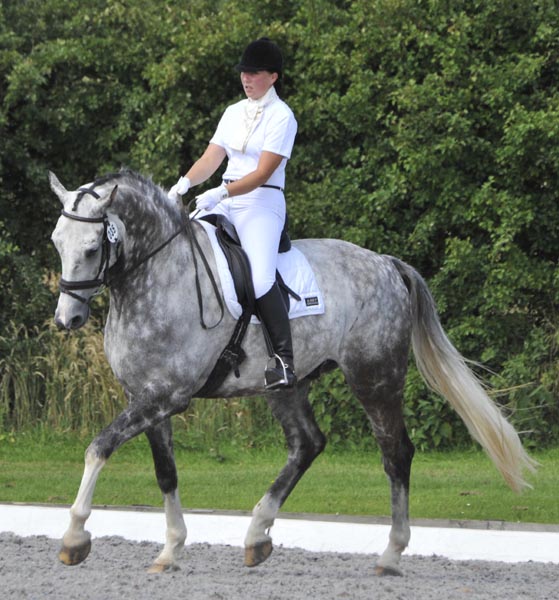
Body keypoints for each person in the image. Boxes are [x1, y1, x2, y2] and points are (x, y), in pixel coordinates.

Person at [168, 37, 298, 390]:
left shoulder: (282, 117)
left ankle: (284, 361)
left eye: (254, 73)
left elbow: (261, 173)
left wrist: (223, 190)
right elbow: (212, 158)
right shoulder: (233, 112)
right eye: (244, 72)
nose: (246, 78)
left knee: (260, 279)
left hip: (261, 203)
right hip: (222, 198)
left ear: (273, 77)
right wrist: (183, 185)